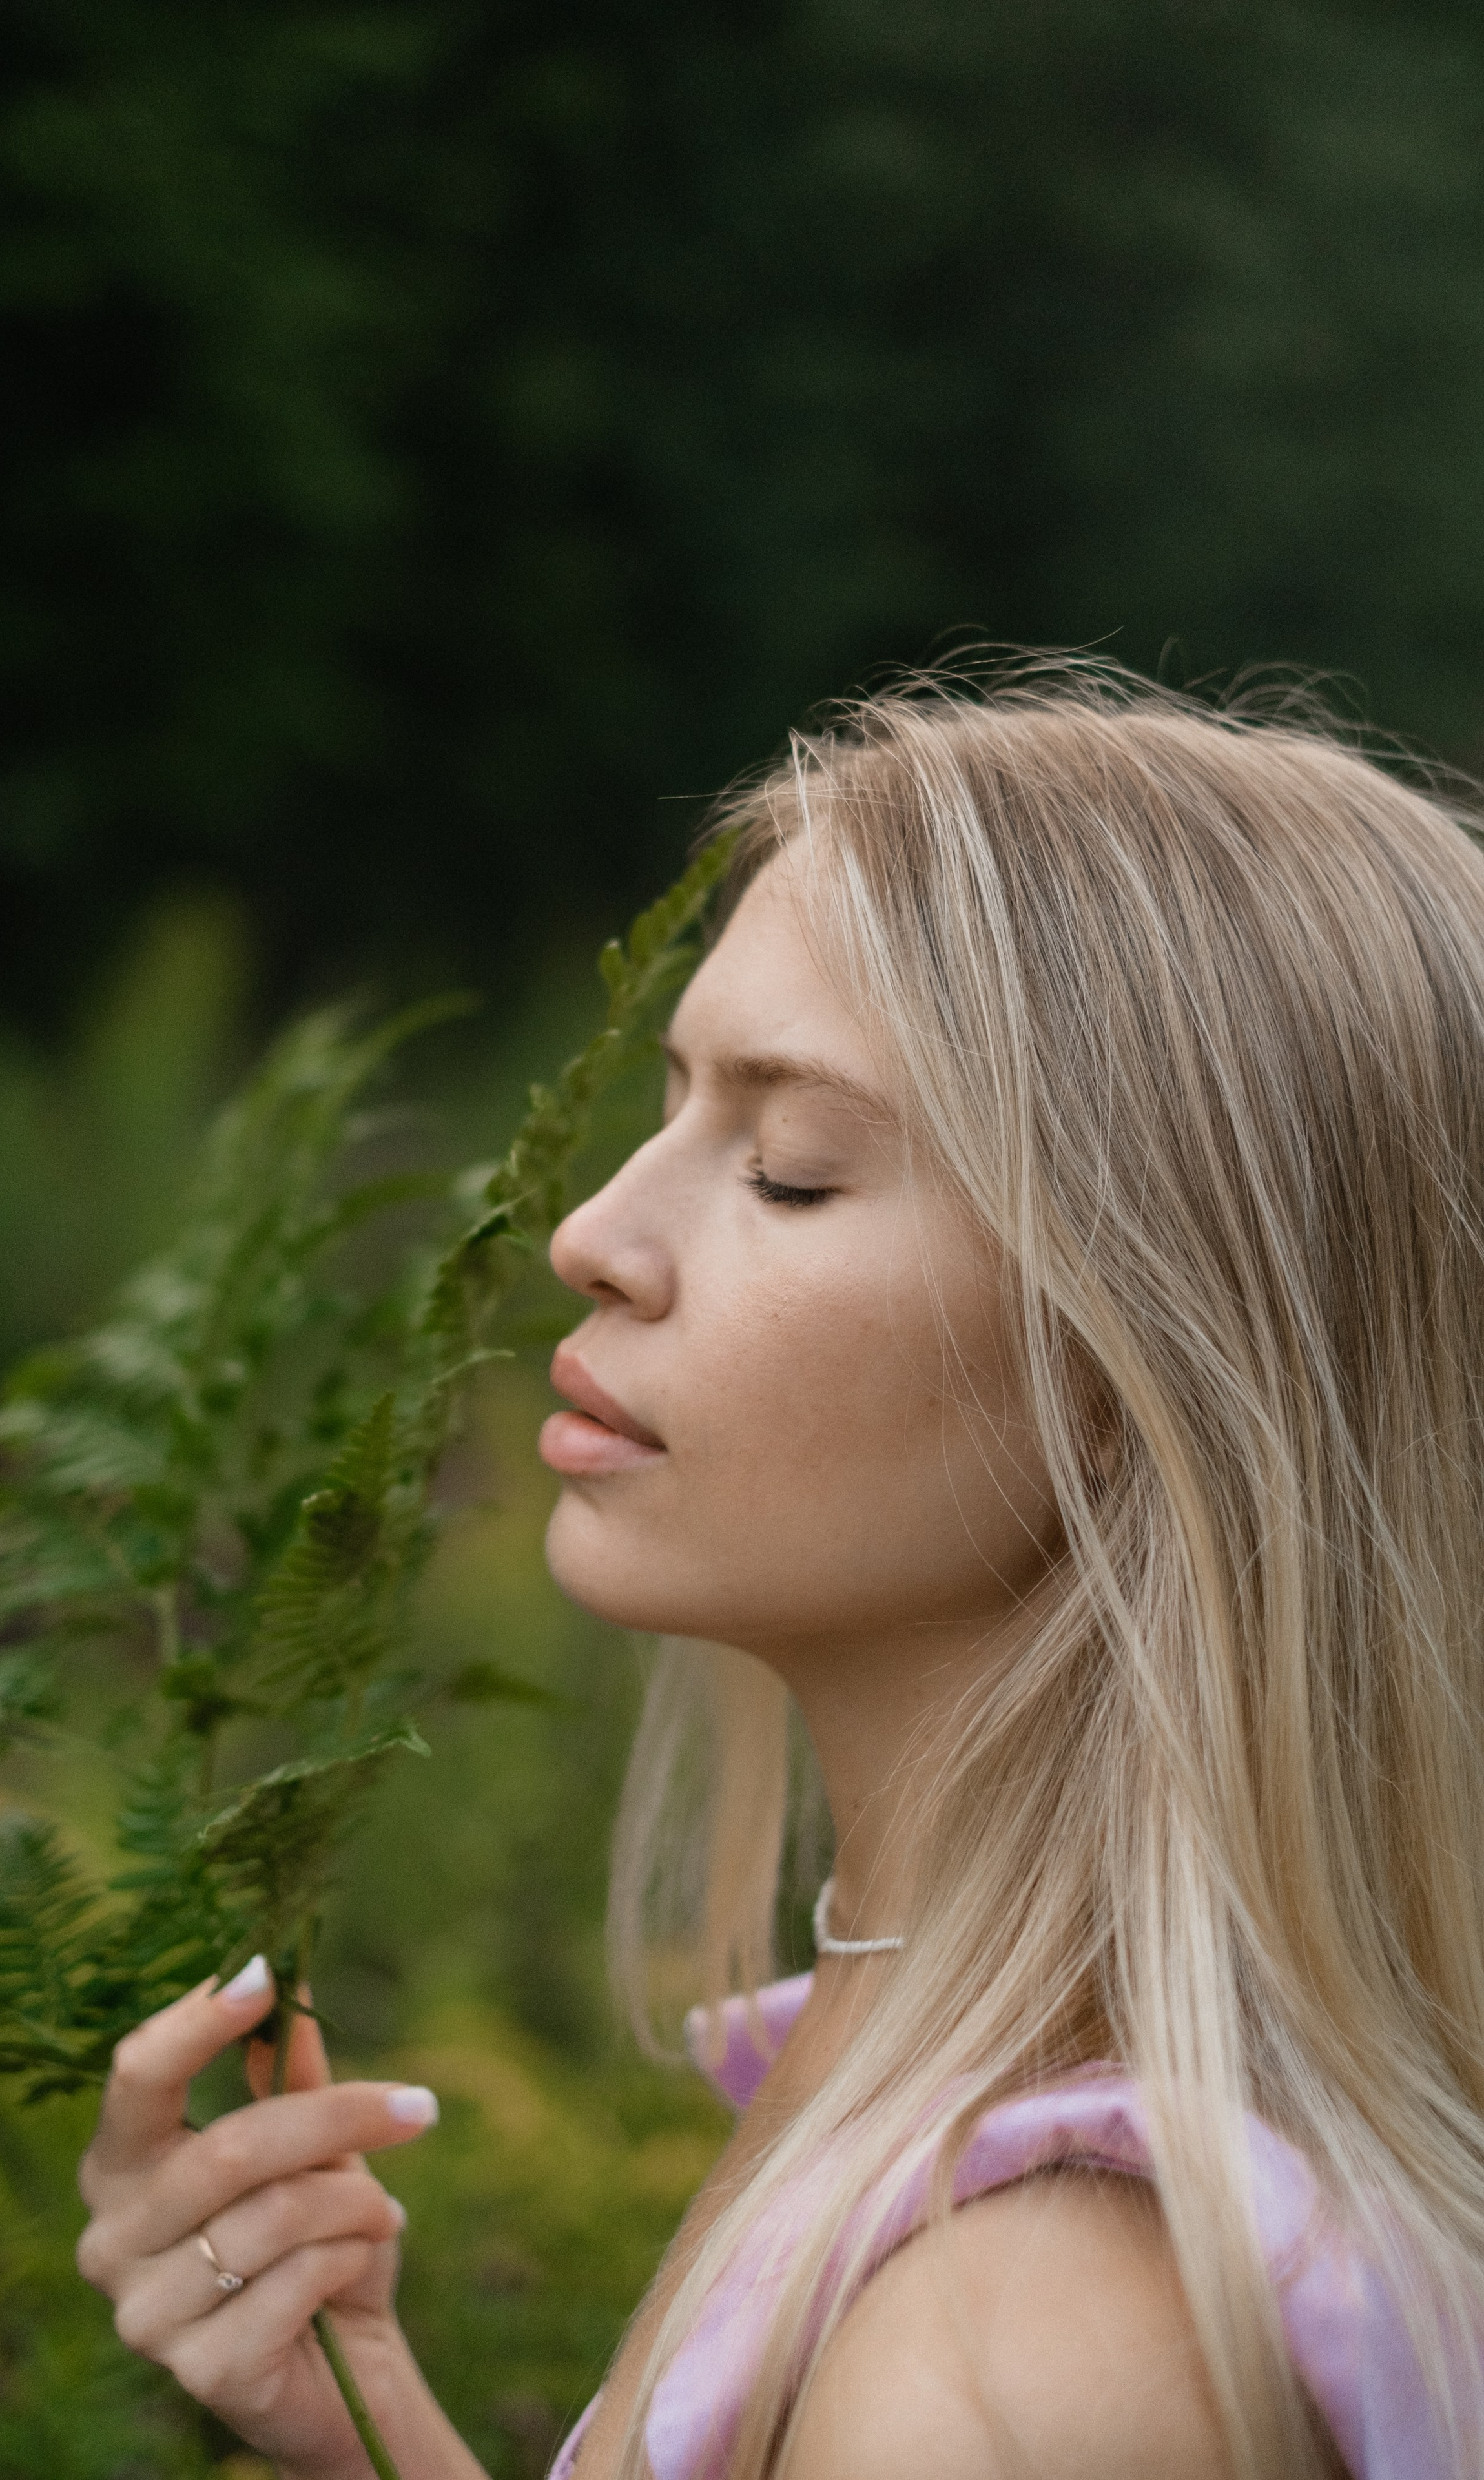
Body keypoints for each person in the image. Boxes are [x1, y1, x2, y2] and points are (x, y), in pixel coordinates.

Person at [75, 663, 1484, 2480]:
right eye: (673, 1103)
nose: (591, 1235)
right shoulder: (936, 2064)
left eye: (795, 1169)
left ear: (1146, 1374)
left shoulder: (1031, 2351)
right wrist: (367, 2437)